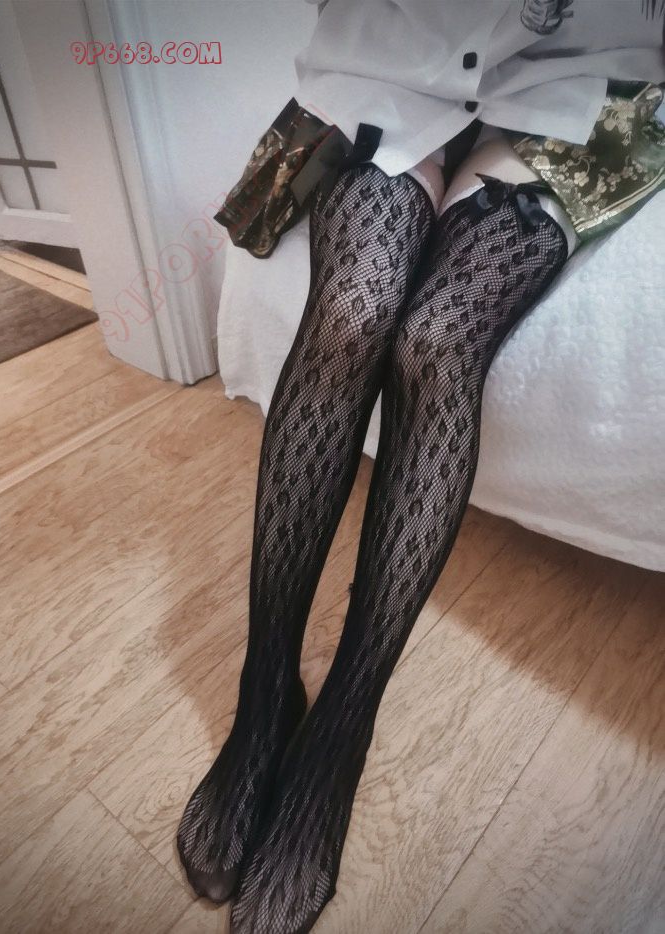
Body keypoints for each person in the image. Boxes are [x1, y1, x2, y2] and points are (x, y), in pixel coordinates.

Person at [177, 3, 665, 932]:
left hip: (582, 91)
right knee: (352, 312)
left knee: (437, 340)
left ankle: (344, 723)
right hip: (392, 69)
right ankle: (264, 689)